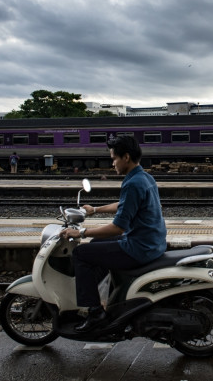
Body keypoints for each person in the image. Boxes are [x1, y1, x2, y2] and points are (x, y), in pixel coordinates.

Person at [60, 135, 167, 332]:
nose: (112, 163)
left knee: (81, 254)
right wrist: (95, 210)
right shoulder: (145, 177)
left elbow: (118, 228)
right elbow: (125, 206)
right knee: (95, 244)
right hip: (151, 242)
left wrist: (80, 232)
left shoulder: (132, 183)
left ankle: (95, 313)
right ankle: (104, 297)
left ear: (125, 157)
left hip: (138, 248)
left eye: (114, 158)